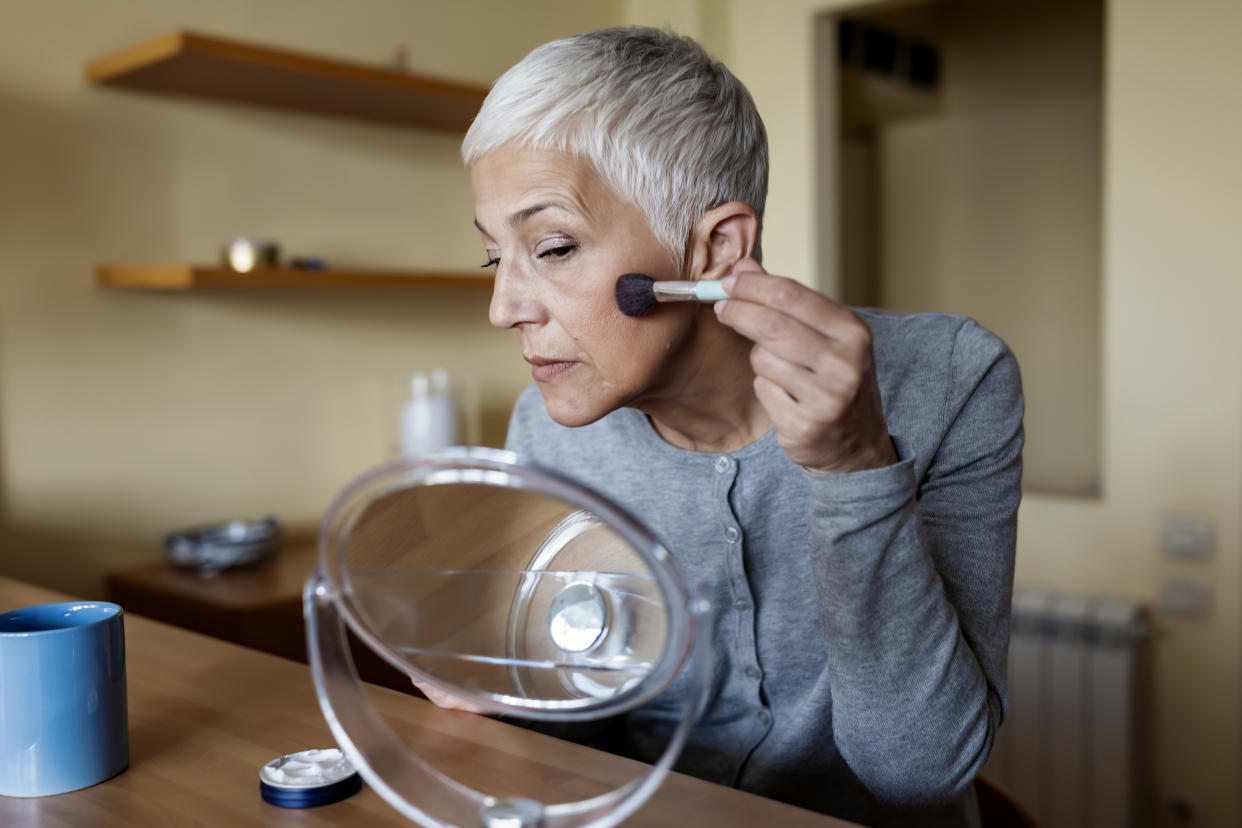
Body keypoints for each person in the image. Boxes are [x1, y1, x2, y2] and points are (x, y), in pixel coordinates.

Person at [433, 25, 1023, 828]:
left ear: (714, 249)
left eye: (555, 246)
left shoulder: (952, 379)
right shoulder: (546, 427)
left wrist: (856, 473)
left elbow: (917, 774)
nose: (503, 308)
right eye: (493, 257)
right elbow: (581, 727)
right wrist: (504, 687)